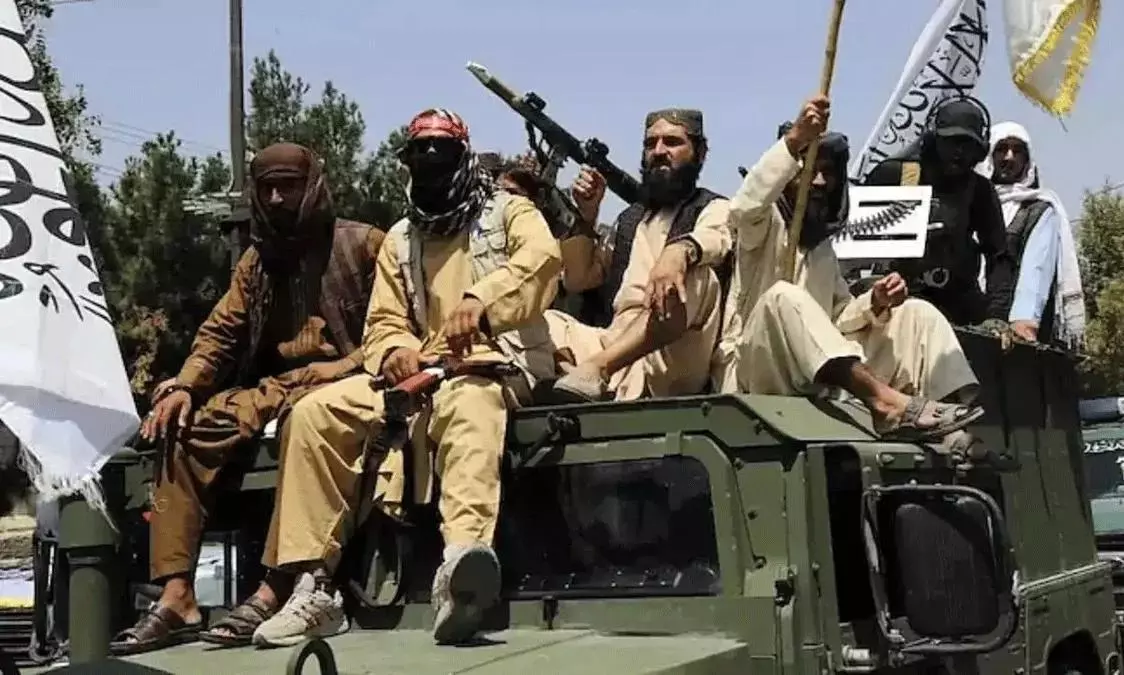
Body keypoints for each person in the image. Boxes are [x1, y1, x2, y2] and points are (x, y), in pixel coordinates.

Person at [250, 108, 562, 647]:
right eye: (420, 151)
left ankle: (461, 571)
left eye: (443, 150)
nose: (431, 160)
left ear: (464, 156)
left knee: (471, 405)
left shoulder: (510, 213)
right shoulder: (401, 236)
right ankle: (314, 586)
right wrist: (397, 350)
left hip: (497, 361)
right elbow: (385, 320)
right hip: (423, 372)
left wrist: (481, 301)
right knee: (314, 414)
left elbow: (542, 263)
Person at [110, 143, 385, 655]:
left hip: (346, 384)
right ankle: (177, 595)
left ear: (313, 187)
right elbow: (220, 333)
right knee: (181, 426)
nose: (277, 198)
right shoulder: (257, 263)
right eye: (267, 188)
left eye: (289, 186)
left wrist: (345, 366)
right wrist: (185, 386)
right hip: (274, 389)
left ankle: (277, 587)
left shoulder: (363, 244)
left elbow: (399, 328)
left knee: (307, 420)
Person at [715, 95, 983, 442]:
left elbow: (838, 318)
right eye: (809, 170)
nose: (819, 182)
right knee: (783, 297)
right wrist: (795, 140)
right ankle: (883, 403)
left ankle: (953, 428)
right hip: (758, 370)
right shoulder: (761, 223)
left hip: (820, 372)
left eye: (827, 173)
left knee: (917, 313)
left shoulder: (821, 246)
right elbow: (744, 207)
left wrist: (875, 301)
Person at [545, 109, 732, 402]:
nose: (659, 151)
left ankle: (595, 371)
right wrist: (586, 215)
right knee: (540, 320)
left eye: (672, 142)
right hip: (615, 342)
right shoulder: (630, 220)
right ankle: (580, 377)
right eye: (650, 143)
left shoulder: (713, 207)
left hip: (673, 356)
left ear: (700, 153)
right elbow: (579, 279)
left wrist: (679, 252)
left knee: (694, 276)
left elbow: (716, 238)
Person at [863, 96, 1014, 327]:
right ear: (934, 139)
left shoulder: (980, 191)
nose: (959, 152)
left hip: (957, 304)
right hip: (895, 298)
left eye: (967, 145)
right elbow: (854, 244)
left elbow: (998, 255)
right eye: (951, 142)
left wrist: (996, 315)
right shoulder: (894, 175)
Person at [979, 121, 1085, 347]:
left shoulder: (1039, 209)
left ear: (1027, 160)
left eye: (1017, 151)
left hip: (1012, 335)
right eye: (1001, 149)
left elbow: (1036, 269)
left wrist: (1023, 325)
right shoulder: (974, 203)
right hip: (973, 320)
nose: (1009, 157)